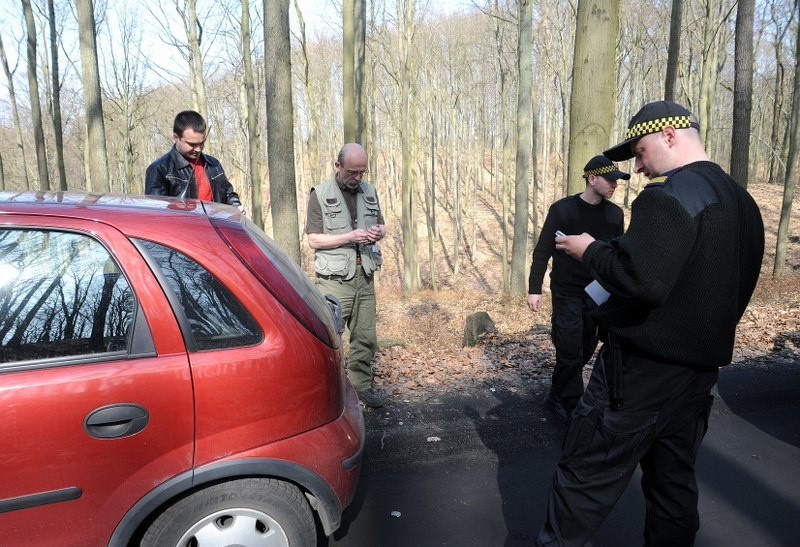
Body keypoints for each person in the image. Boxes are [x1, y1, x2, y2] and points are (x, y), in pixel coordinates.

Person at [535, 101, 764, 546]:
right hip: (696, 378)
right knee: (673, 489)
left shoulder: (670, 195)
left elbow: (641, 279)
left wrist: (592, 251)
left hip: (637, 376)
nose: (637, 168)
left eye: (640, 153)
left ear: (670, 136)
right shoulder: (741, 201)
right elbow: (731, 283)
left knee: (584, 478)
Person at [527, 155, 627, 422]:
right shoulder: (562, 210)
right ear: (592, 179)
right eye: (611, 179)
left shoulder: (615, 214)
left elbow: (618, 256)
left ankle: (556, 394)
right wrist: (534, 289)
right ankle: (575, 410)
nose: (615, 185)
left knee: (582, 351)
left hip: (598, 295)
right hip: (566, 293)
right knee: (569, 351)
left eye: (617, 180)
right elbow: (542, 251)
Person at [305, 143, 386, 408]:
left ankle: (360, 387)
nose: (358, 178)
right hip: (335, 280)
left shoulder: (370, 191)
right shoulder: (320, 194)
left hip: (366, 275)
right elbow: (313, 240)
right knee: (330, 337)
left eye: (362, 172)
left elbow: (381, 225)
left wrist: (378, 233)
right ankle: (332, 393)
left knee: (365, 337)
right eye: (353, 172)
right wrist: (349, 237)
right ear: (338, 166)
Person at [145, 110, 244, 212]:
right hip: (184, 227)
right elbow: (157, 212)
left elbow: (228, 193)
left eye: (201, 143)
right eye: (192, 144)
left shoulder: (213, 164)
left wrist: (235, 205)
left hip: (216, 226)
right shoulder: (159, 169)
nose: (198, 149)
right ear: (176, 137)